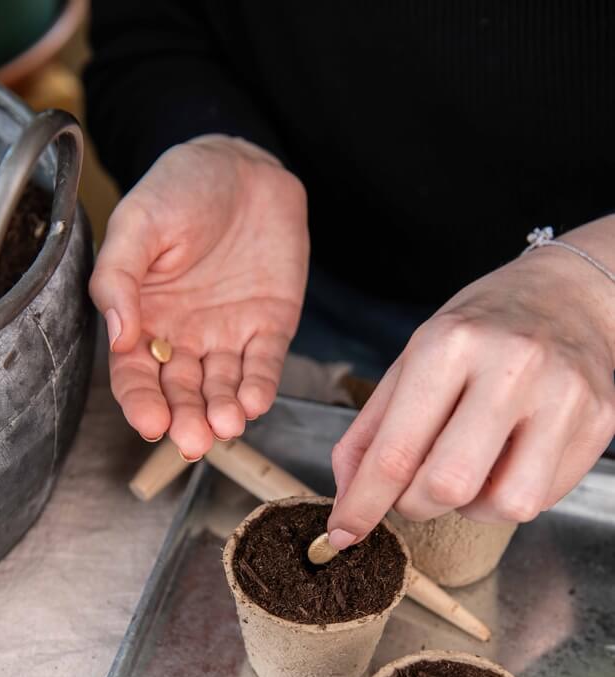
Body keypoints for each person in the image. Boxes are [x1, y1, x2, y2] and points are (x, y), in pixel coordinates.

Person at [84, 2, 615, 551]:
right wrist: (211, 138)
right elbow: (145, 36)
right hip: (265, 281)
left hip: (584, 343)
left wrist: (594, 287)